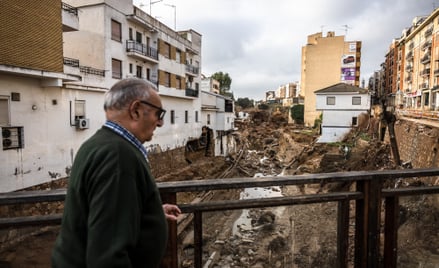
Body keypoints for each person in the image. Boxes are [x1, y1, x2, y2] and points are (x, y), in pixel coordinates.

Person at [52, 78, 181, 267]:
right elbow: (108, 256)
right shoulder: (119, 157)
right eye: (158, 113)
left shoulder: (98, 144)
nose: (160, 123)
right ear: (136, 110)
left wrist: (149, 213)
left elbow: (105, 214)